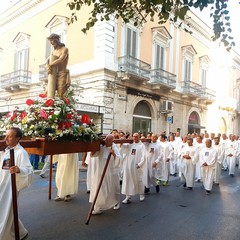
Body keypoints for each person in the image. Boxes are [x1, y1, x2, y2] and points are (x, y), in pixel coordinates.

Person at [0, 127, 33, 240]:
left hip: (10, 188)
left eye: (9, 136)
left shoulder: (21, 152)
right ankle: (22, 232)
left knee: (7, 210)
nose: (6, 138)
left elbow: (29, 170)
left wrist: (19, 170)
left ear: (18, 138)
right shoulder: (6, 150)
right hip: (2, 185)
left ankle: (4, 235)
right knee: (6, 211)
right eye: (6, 136)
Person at [89, 134, 122, 214]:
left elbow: (119, 159)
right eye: (105, 140)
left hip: (111, 172)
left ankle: (116, 202)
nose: (106, 142)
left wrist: (113, 154)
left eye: (108, 141)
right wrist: (93, 149)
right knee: (98, 189)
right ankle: (98, 207)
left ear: (112, 141)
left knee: (112, 189)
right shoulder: (102, 146)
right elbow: (93, 155)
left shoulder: (114, 147)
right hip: (100, 171)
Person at [121, 133, 147, 204]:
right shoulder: (130, 145)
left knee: (138, 180)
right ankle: (127, 196)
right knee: (127, 180)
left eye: (136, 136)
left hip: (136, 166)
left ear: (139, 137)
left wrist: (140, 164)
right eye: (134, 136)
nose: (135, 138)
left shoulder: (141, 146)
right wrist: (122, 142)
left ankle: (141, 194)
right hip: (128, 166)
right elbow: (123, 149)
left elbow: (144, 156)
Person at [46, 33, 70, 99]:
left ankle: (62, 106)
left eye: (52, 41)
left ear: (56, 40)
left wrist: (51, 64)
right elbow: (47, 60)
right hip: (54, 74)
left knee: (61, 91)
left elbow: (61, 59)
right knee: (48, 92)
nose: (51, 44)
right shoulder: (53, 52)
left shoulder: (64, 49)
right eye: (50, 42)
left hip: (62, 73)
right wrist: (48, 66)